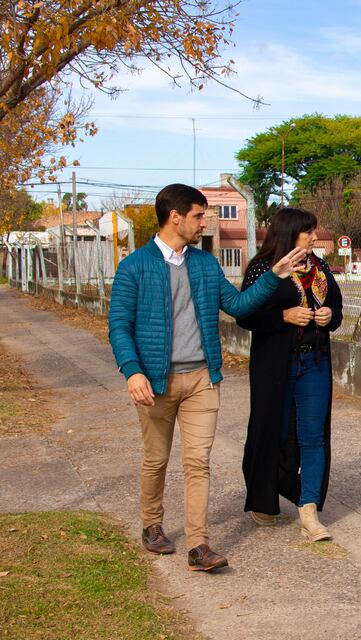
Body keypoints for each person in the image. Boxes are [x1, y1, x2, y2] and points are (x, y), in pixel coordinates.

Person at [108, 184, 306, 572]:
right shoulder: (134, 266)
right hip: (154, 381)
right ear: (175, 216)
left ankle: (198, 545)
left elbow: (236, 305)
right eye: (199, 216)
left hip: (201, 378)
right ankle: (152, 524)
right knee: (156, 459)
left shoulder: (204, 264)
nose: (204, 223)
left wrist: (274, 277)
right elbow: (119, 327)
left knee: (198, 462)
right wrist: (132, 372)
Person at [237, 208, 343, 541]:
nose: (315, 237)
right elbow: (246, 316)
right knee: (274, 433)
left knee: (313, 436)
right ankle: (265, 494)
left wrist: (330, 315)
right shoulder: (263, 268)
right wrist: (283, 316)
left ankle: (308, 512)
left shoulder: (320, 267)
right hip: (275, 366)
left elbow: (337, 307)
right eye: (308, 232)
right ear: (289, 233)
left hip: (315, 362)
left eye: (314, 231)